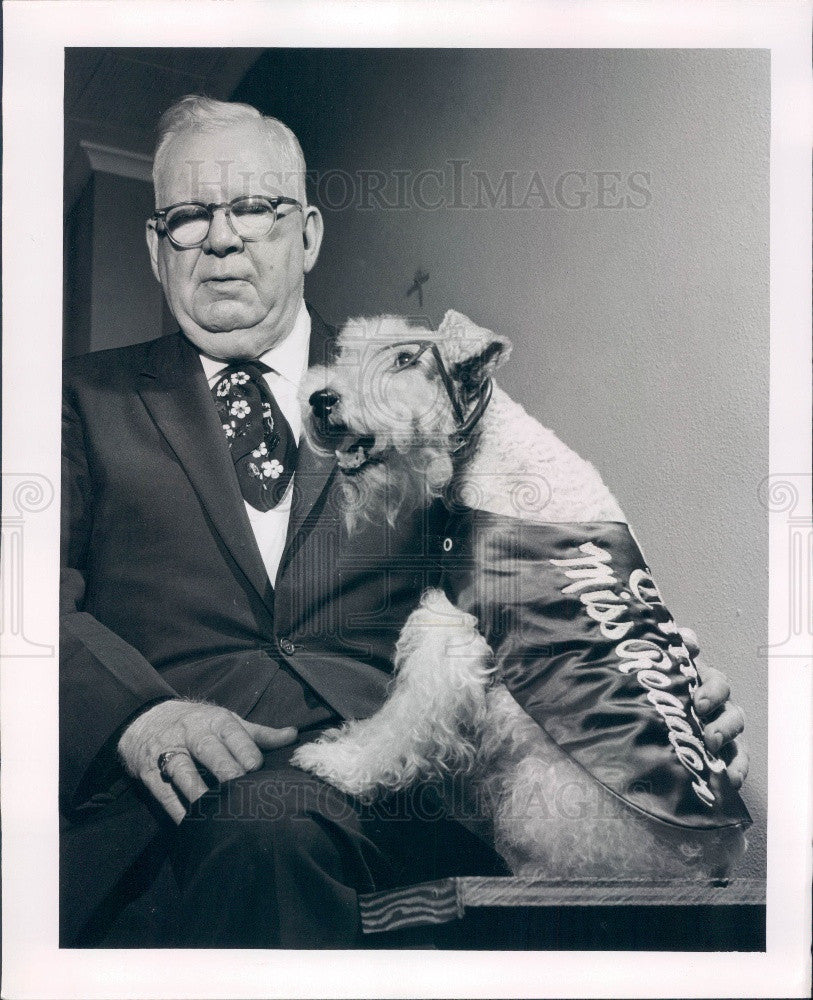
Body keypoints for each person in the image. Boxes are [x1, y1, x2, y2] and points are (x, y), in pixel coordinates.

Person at [60, 95, 748, 948]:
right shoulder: (71, 400)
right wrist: (138, 718)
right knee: (260, 827)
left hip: (399, 808)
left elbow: (524, 579)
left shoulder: (427, 390)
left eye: (254, 208)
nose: (223, 236)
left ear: (306, 233)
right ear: (156, 248)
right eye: (190, 215)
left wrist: (646, 696)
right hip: (162, 814)